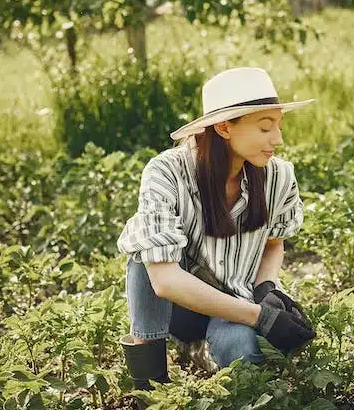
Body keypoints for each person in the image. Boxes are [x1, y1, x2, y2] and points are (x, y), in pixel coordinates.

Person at [117, 66, 317, 392]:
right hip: (180, 307)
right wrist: (260, 317)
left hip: (237, 303)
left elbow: (273, 242)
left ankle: (207, 356)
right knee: (144, 255)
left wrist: (266, 288)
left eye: (279, 126)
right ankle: (148, 387)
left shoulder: (279, 177)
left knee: (242, 354)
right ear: (224, 127)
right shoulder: (167, 173)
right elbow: (164, 281)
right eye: (266, 127)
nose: (278, 139)